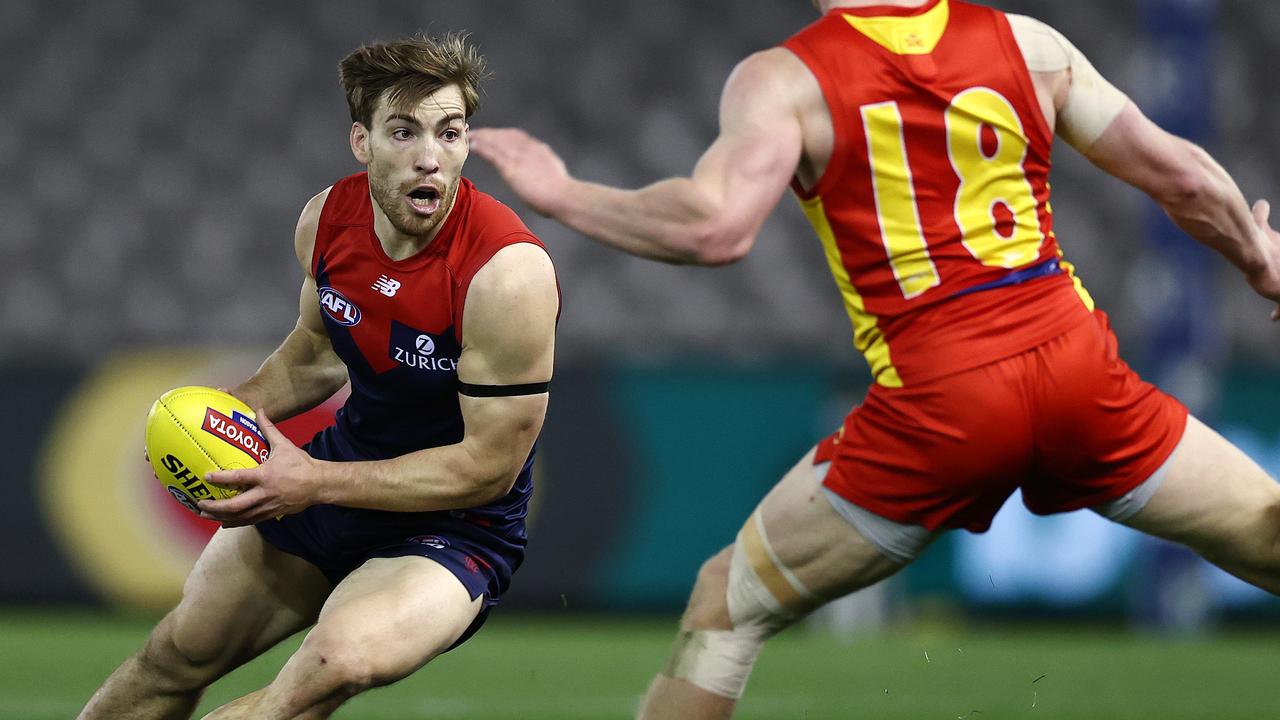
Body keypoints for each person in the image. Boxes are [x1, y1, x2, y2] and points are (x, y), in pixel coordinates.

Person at [470, 0, 1280, 717]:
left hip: (942, 405)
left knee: (726, 605)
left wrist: (567, 193)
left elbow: (714, 227)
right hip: (1077, 373)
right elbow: (1183, 177)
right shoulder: (1028, 45)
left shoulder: (786, 79)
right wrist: (1259, 257)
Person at [79, 33, 558, 720]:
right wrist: (209, 417)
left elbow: (489, 468)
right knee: (175, 656)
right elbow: (315, 353)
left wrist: (309, 482)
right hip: (335, 482)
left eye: (450, 133)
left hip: (455, 527)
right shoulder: (327, 220)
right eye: (405, 131)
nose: (431, 157)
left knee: (328, 670)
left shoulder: (506, 274)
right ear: (362, 142)